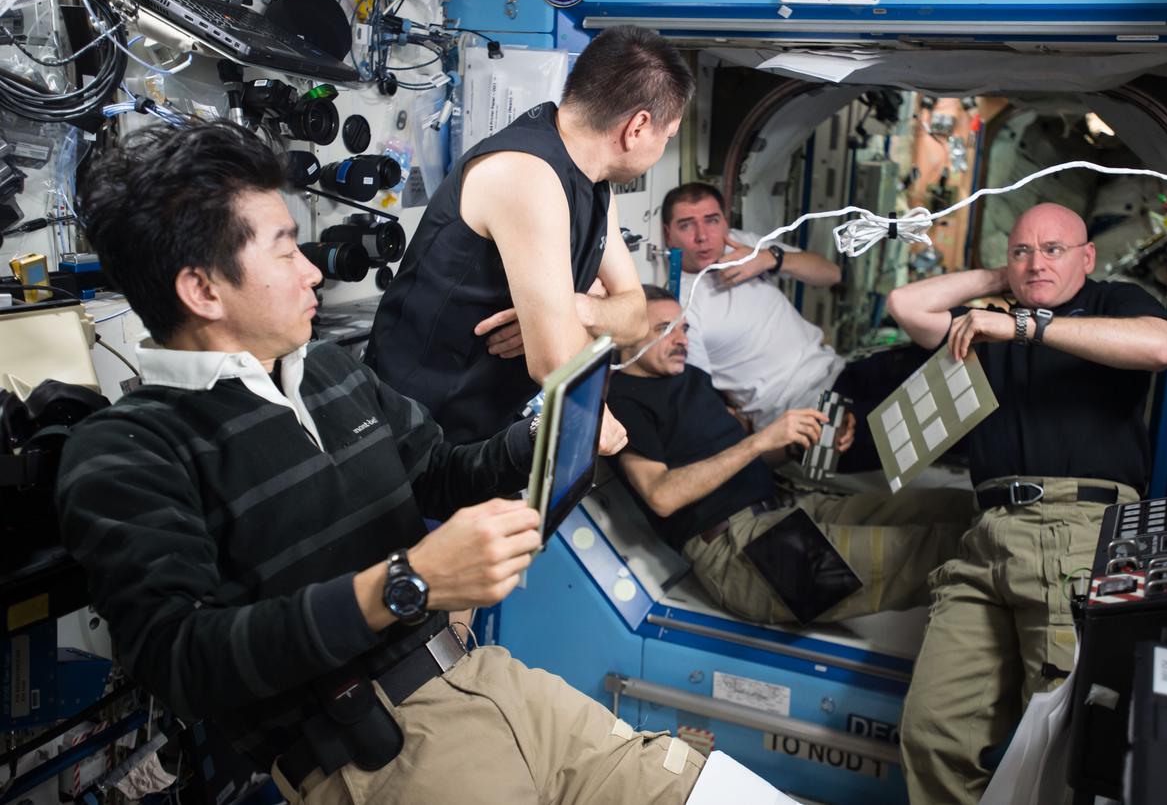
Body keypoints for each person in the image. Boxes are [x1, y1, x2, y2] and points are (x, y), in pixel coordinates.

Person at [58, 121, 703, 805]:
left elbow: (437, 471)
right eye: (284, 251)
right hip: (386, 757)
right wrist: (407, 582)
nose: (312, 269)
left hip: (495, 685)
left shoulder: (329, 370)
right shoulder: (126, 451)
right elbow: (184, 661)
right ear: (203, 290)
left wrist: (541, 439)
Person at [885, 202, 1167, 804]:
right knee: (932, 728)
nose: (1037, 262)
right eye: (1023, 250)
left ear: (1087, 258)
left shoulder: (1111, 303)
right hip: (988, 534)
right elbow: (906, 306)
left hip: (1078, 528)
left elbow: (1159, 348)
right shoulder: (992, 318)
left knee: (1053, 741)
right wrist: (1005, 282)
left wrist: (1027, 324)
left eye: (1054, 250)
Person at [366, 25, 694, 447]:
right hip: (409, 434)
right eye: (667, 137)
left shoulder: (594, 185)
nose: (663, 147)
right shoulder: (526, 173)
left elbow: (635, 318)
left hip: (474, 433)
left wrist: (576, 310)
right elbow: (554, 360)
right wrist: (601, 419)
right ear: (637, 128)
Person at [607, 286, 972, 625]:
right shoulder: (623, 401)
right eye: (664, 328)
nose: (681, 339)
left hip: (783, 510)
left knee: (960, 508)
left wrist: (801, 441)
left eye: (683, 328)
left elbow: (740, 459)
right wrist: (760, 440)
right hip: (739, 553)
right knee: (941, 548)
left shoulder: (693, 379)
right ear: (628, 334)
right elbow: (661, 496)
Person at [660, 182, 847, 434]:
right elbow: (698, 395)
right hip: (800, 410)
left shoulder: (741, 244)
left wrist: (771, 259)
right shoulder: (680, 304)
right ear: (668, 234)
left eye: (712, 220)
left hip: (835, 371)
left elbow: (831, 274)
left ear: (725, 223)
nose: (702, 236)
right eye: (686, 225)